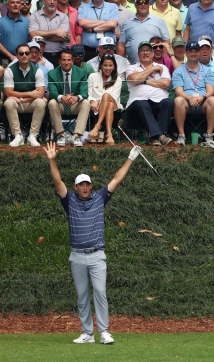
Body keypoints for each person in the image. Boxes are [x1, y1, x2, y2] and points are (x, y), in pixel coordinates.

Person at [44, 141, 142, 346]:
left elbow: (116, 179)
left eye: (87, 184)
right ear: (76, 187)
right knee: (82, 296)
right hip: (77, 255)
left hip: (97, 255)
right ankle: (87, 333)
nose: (85, 187)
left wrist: (130, 158)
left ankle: (104, 332)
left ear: (91, 186)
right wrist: (52, 160)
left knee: (100, 292)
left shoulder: (99, 198)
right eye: (81, 185)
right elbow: (57, 182)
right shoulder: (69, 201)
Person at [126, 41, 174, 145]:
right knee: (142, 103)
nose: (146, 53)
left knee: (168, 102)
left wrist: (144, 80)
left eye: (148, 50)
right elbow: (134, 80)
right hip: (137, 104)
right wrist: (152, 69)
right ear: (138, 54)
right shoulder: (132, 67)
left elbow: (166, 83)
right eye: (142, 50)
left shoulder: (163, 68)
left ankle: (155, 138)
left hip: (158, 102)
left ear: (152, 53)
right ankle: (160, 136)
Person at [172, 41, 214, 146]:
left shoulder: (207, 70)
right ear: (186, 53)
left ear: (199, 53)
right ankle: (181, 136)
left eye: (196, 51)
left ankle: (209, 136)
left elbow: (211, 91)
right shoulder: (178, 71)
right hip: (186, 102)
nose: (193, 53)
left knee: (213, 100)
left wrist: (203, 98)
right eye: (190, 51)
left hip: (203, 102)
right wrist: (189, 98)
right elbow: (178, 91)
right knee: (178, 100)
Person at [4, 43, 47, 148]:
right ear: (17, 55)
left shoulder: (38, 71)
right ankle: (18, 135)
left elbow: (40, 94)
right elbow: (9, 93)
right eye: (21, 53)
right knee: (8, 102)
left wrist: (22, 99)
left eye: (27, 53)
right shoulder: (10, 70)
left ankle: (33, 135)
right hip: (17, 103)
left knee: (41, 102)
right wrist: (30, 93)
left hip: (27, 103)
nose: (24, 55)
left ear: (30, 55)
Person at [48, 49, 91, 147]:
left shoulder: (81, 72)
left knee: (86, 103)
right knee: (52, 103)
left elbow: (84, 91)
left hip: (74, 104)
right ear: (59, 61)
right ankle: (61, 135)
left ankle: (76, 136)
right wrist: (62, 97)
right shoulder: (52, 73)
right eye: (64, 60)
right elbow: (53, 92)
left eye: (68, 60)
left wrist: (77, 98)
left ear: (72, 61)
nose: (66, 62)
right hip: (61, 104)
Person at [117, 0, 170, 65]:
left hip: (155, 66)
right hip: (133, 66)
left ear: (149, 4)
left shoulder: (159, 21)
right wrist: (118, 65)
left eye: (146, 2)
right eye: (140, 2)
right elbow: (121, 45)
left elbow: (166, 42)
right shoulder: (127, 23)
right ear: (135, 5)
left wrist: (164, 62)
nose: (143, 4)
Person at [87, 54, 124, 145]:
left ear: (114, 66)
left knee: (107, 96)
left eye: (110, 65)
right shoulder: (92, 76)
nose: (108, 68)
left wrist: (98, 101)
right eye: (105, 65)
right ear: (101, 66)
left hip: (115, 107)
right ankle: (109, 135)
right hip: (98, 108)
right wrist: (92, 101)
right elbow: (89, 94)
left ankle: (97, 126)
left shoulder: (118, 79)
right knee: (109, 105)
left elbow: (114, 97)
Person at [29, 0, 70, 69]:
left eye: (54, 0)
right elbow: (33, 34)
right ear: (43, 1)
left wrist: (41, 36)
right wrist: (56, 32)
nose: (52, 2)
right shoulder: (34, 16)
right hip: (41, 56)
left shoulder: (64, 17)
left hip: (59, 56)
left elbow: (63, 37)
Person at [0, 0, 30, 64]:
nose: (15, 5)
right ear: (7, 6)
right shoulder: (1, 22)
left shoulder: (27, 22)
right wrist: (10, 56)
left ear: (21, 6)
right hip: (5, 60)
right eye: (13, 2)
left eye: (18, 2)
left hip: (23, 59)